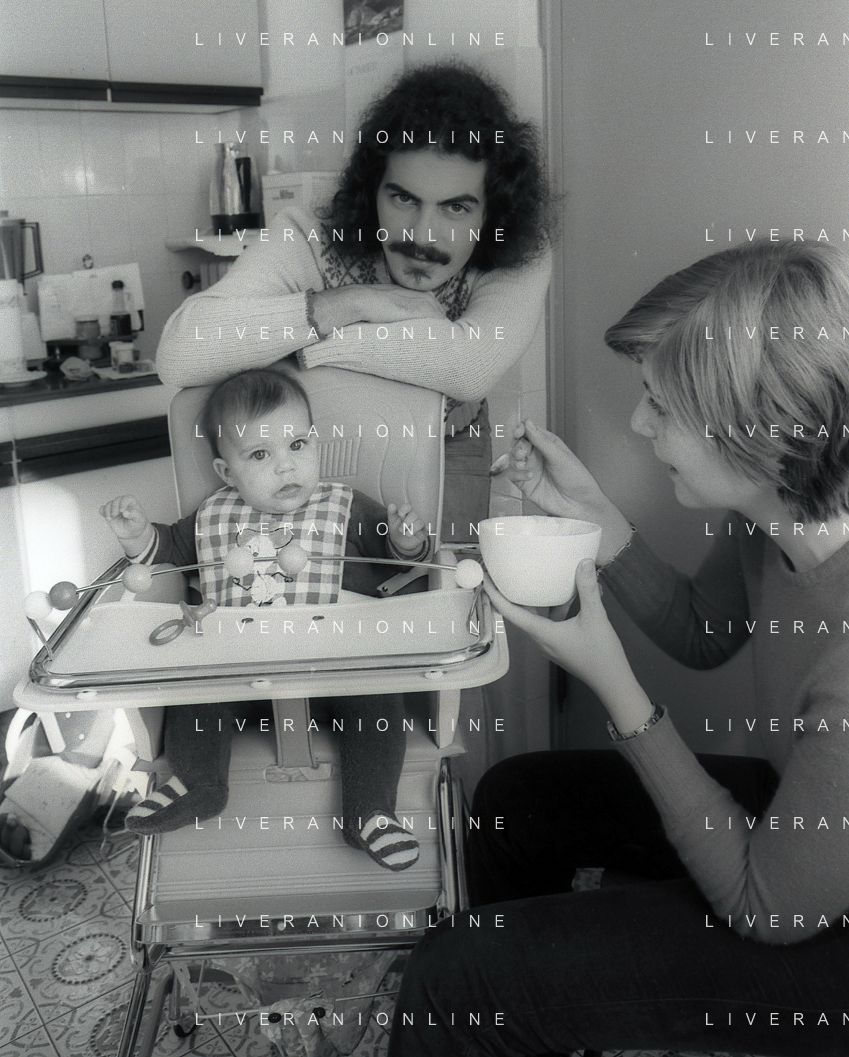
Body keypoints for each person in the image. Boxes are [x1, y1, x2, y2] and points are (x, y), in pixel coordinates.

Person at [387, 237, 849, 1055]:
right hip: (804, 824)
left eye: (660, 407)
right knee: (512, 803)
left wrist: (613, 682)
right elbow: (704, 631)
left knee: (455, 982)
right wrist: (594, 517)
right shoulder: (776, 514)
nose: (637, 423)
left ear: (762, 431)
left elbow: (765, 905)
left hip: (816, 929)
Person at [155, 60, 552, 539]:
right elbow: (177, 355)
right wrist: (352, 303)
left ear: (493, 212)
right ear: (372, 190)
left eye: (455, 208)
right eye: (403, 199)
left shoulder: (519, 252)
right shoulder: (312, 230)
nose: (422, 235)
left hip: (452, 439)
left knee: (446, 575)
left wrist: (305, 348)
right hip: (310, 448)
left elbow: (469, 369)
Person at [101, 366, 429, 871]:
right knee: (196, 692)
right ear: (226, 471)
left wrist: (406, 540)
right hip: (237, 675)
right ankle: (199, 782)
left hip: (339, 671)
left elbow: (395, 559)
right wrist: (137, 535)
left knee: (379, 700)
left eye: (298, 445)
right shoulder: (212, 516)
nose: (285, 466)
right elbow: (167, 549)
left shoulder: (345, 507)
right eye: (260, 455)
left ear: (315, 442)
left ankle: (370, 810)